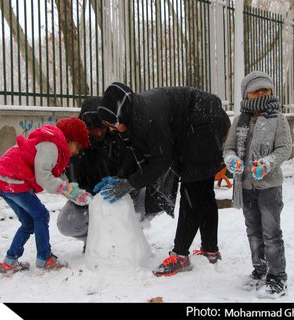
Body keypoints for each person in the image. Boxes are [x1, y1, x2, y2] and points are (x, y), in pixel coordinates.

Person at [95, 82, 231, 276]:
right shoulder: (132, 115)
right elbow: (134, 153)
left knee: (193, 189)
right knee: (203, 191)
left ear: (121, 114)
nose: (111, 129)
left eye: (112, 123)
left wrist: (129, 184)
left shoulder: (148, 119)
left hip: (203, 121)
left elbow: (160, 162)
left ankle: (180, 256)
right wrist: (120, 178)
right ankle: (211, 249)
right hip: (198, 119)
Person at [0, 116, 92, 274]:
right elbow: (43, 176)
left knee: (28, 222)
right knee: (41, 215)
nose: (77, 152)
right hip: (14, 179)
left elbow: (60, 181)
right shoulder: (52, 145)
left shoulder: (55, 147)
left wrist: (78, 196)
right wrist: (68, 190)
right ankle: (44, 259)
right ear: (70, 139)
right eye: (77, 146)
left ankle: (9, 262)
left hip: (4, 180)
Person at [223, 71, 292, 298]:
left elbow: (284, 149)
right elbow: (229, 148)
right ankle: (260, 269)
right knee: (253, 231)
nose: (262, 93)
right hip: (246, 187)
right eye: (257, 90)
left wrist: (267, 163)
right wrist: (232, 160)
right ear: (246, 94)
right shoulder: (239, 121)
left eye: (266, 89)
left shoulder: (277, 119)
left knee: (271, 233)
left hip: (269, 186)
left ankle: (277, 276)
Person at [56, 98, 157, 252]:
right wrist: (93, 196)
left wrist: (123, 182)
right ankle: (95, 241)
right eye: (93, 128)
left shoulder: (119, 135)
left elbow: (135, 166)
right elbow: (74, 186)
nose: (99, 132)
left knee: (159, 195)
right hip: (91, 201)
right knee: (66, 223)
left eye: (102, 127)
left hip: (125, 194)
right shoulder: (74, 146)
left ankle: (130, 235)